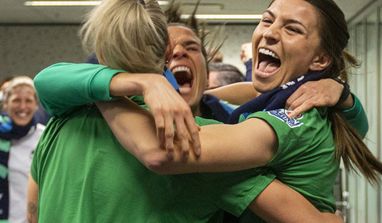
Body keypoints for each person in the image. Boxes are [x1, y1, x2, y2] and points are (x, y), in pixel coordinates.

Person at [28, 0, 345, 222]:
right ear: (164, 60)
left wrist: (342, 95)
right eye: (267, 19)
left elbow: (33, 212)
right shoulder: (206, 152)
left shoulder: (61, 118)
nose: (272, 31)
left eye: (192, 48)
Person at [91, 0, 382, 220]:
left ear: (320, 60)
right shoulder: (294, 100)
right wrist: (343, 94)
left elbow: (162, 151)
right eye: (267, 19)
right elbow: (251, 93)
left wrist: (106, 87)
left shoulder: (293, 117)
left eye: (292, 29)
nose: (270, 32)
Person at [0, 76, 44, 222]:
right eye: (17, 100)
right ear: (6, 104)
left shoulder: (44, 137)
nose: (23, 107)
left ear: (36, 105)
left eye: (28, 101)